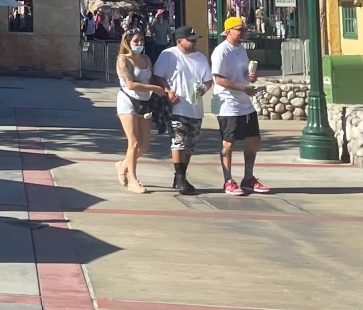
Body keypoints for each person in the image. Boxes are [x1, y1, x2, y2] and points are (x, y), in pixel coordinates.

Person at [211, 16, 269, 195]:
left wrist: (250, 77)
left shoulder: (242, 50)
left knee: (254, 139)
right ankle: (228, 180)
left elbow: (243, 73)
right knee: (228, 143)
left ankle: (248, 178)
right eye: (239, 29)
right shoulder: (221, 51)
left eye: (244, 29)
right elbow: (218, 78)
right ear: (228, 31)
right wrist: (242, 88)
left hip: (245, 102)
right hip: (228, 103)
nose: (243, 32)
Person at [154, 26, 212, 195]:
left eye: (196, 40)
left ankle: (181, 176)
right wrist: (167, 91)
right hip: (177, 106)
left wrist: (204, 89)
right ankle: (180, 177)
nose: (195, 43)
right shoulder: (169, 55)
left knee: (190, 145)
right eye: (191, 40)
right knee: (178, 141)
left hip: (195, 107)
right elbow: (157, 76)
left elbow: (208, 80)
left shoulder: (200, 58)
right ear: (180, 41)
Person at [113, 31, 159, 194]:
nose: (139, 43)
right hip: (128, 101)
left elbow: (152, 77)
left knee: (144, 145)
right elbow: (131, 84)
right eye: (135, 41)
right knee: (133, 142)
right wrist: (155, 89)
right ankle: (133, 179)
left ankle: (123, 164)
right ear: (127, 42)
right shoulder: (123, 60)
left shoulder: (146, 59)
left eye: (141, 40)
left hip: (145, 102)